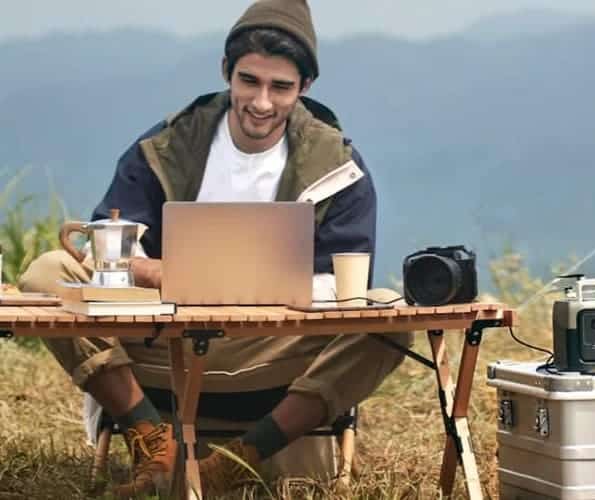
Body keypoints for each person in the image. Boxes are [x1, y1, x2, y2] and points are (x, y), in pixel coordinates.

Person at [19, 0, 413, 497]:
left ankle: (240, 458)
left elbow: (343, 282)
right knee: (46, 272)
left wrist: (255, 289)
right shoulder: (169, 144)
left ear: (306, 87)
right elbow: (107, 240)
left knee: (389, 314)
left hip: (272, 348)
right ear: (227, 72)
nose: (262, 102)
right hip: (163, 340)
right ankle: (150, 438)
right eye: (249, 81)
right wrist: (156, 271)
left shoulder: (337, 164)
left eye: (281, 87)